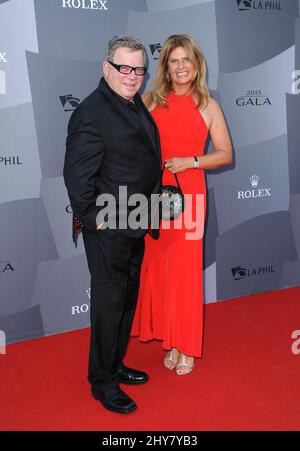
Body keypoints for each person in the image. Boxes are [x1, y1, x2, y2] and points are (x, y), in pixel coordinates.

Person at [63, 36, 161, 413]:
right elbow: (77, 178)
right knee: (108, 304)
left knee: (125, 301)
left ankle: (115, 363)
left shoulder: (131, 102)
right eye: (124, 68)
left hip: (134, 220)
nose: (133, 76)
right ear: (107, 68)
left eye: (139, 69)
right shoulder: (91, 112)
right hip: (109, 228)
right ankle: (102, 381)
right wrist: (97, 224)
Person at [132, 34, 232, 375]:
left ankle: (185, 345)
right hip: (155, 195)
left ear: (196, 63)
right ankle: (169, 339)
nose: (180, 67)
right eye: (173, 61)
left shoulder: (208, 105)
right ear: (166, 66)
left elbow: (225, 154)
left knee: (186, 274)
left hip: (189, 194)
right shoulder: (150, 101)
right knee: (158, 270)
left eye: (186, 59)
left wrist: (191, 161)